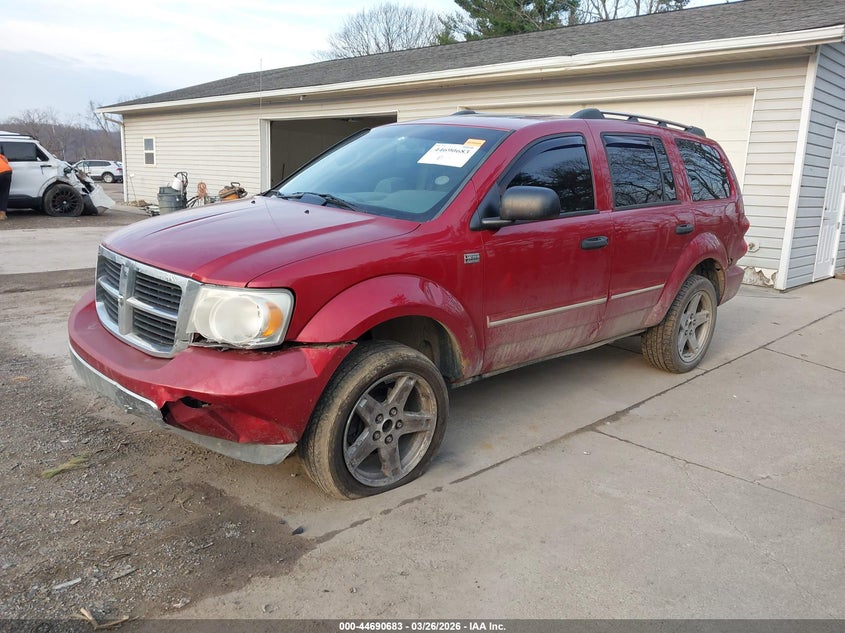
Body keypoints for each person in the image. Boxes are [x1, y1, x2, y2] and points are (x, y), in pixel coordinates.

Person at [0, 152, 11, 220]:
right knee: (4, 193)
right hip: (7, 172)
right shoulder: (1, 156)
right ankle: (2, 215)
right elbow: (6, 161)